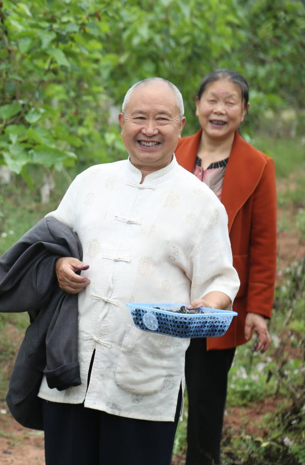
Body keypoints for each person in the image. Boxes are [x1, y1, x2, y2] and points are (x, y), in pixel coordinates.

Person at [13, 78, 240, 465]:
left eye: (161, 119)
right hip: (72, 367)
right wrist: (57, 265)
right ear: (121, 122)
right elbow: (46, 245)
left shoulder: (202, 204)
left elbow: (221, 279)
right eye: (139, 118)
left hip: (146, 379)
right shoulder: (90, 182)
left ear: (181, 125)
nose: (149, 130)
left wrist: (207, 304)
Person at [175, 69, 276, 465]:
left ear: (244, 111)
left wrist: (257, 310)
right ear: (197, 106)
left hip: (219, 298)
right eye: (211, 100)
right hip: (166, 288)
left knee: (206, 394)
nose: (219, 109)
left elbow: (264, 242)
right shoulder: (172, 150)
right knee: (158, 389)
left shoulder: (259, 165)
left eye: (230, 101)